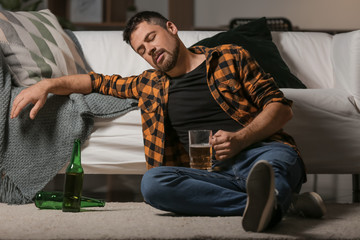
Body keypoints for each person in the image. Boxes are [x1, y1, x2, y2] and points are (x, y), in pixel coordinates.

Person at [11, 11, 326, 232]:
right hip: (208, 175)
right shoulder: (148, 84)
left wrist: (241, 139)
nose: (151, 50)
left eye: (152, 38)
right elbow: (96, 82)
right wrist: (47, 85)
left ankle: (268, 197)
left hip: (260, 151)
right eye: (143, 50)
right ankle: (279, 202)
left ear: (172, 28)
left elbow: (280, 107)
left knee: (278, 161)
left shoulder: (230, 56)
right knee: (153, 185)